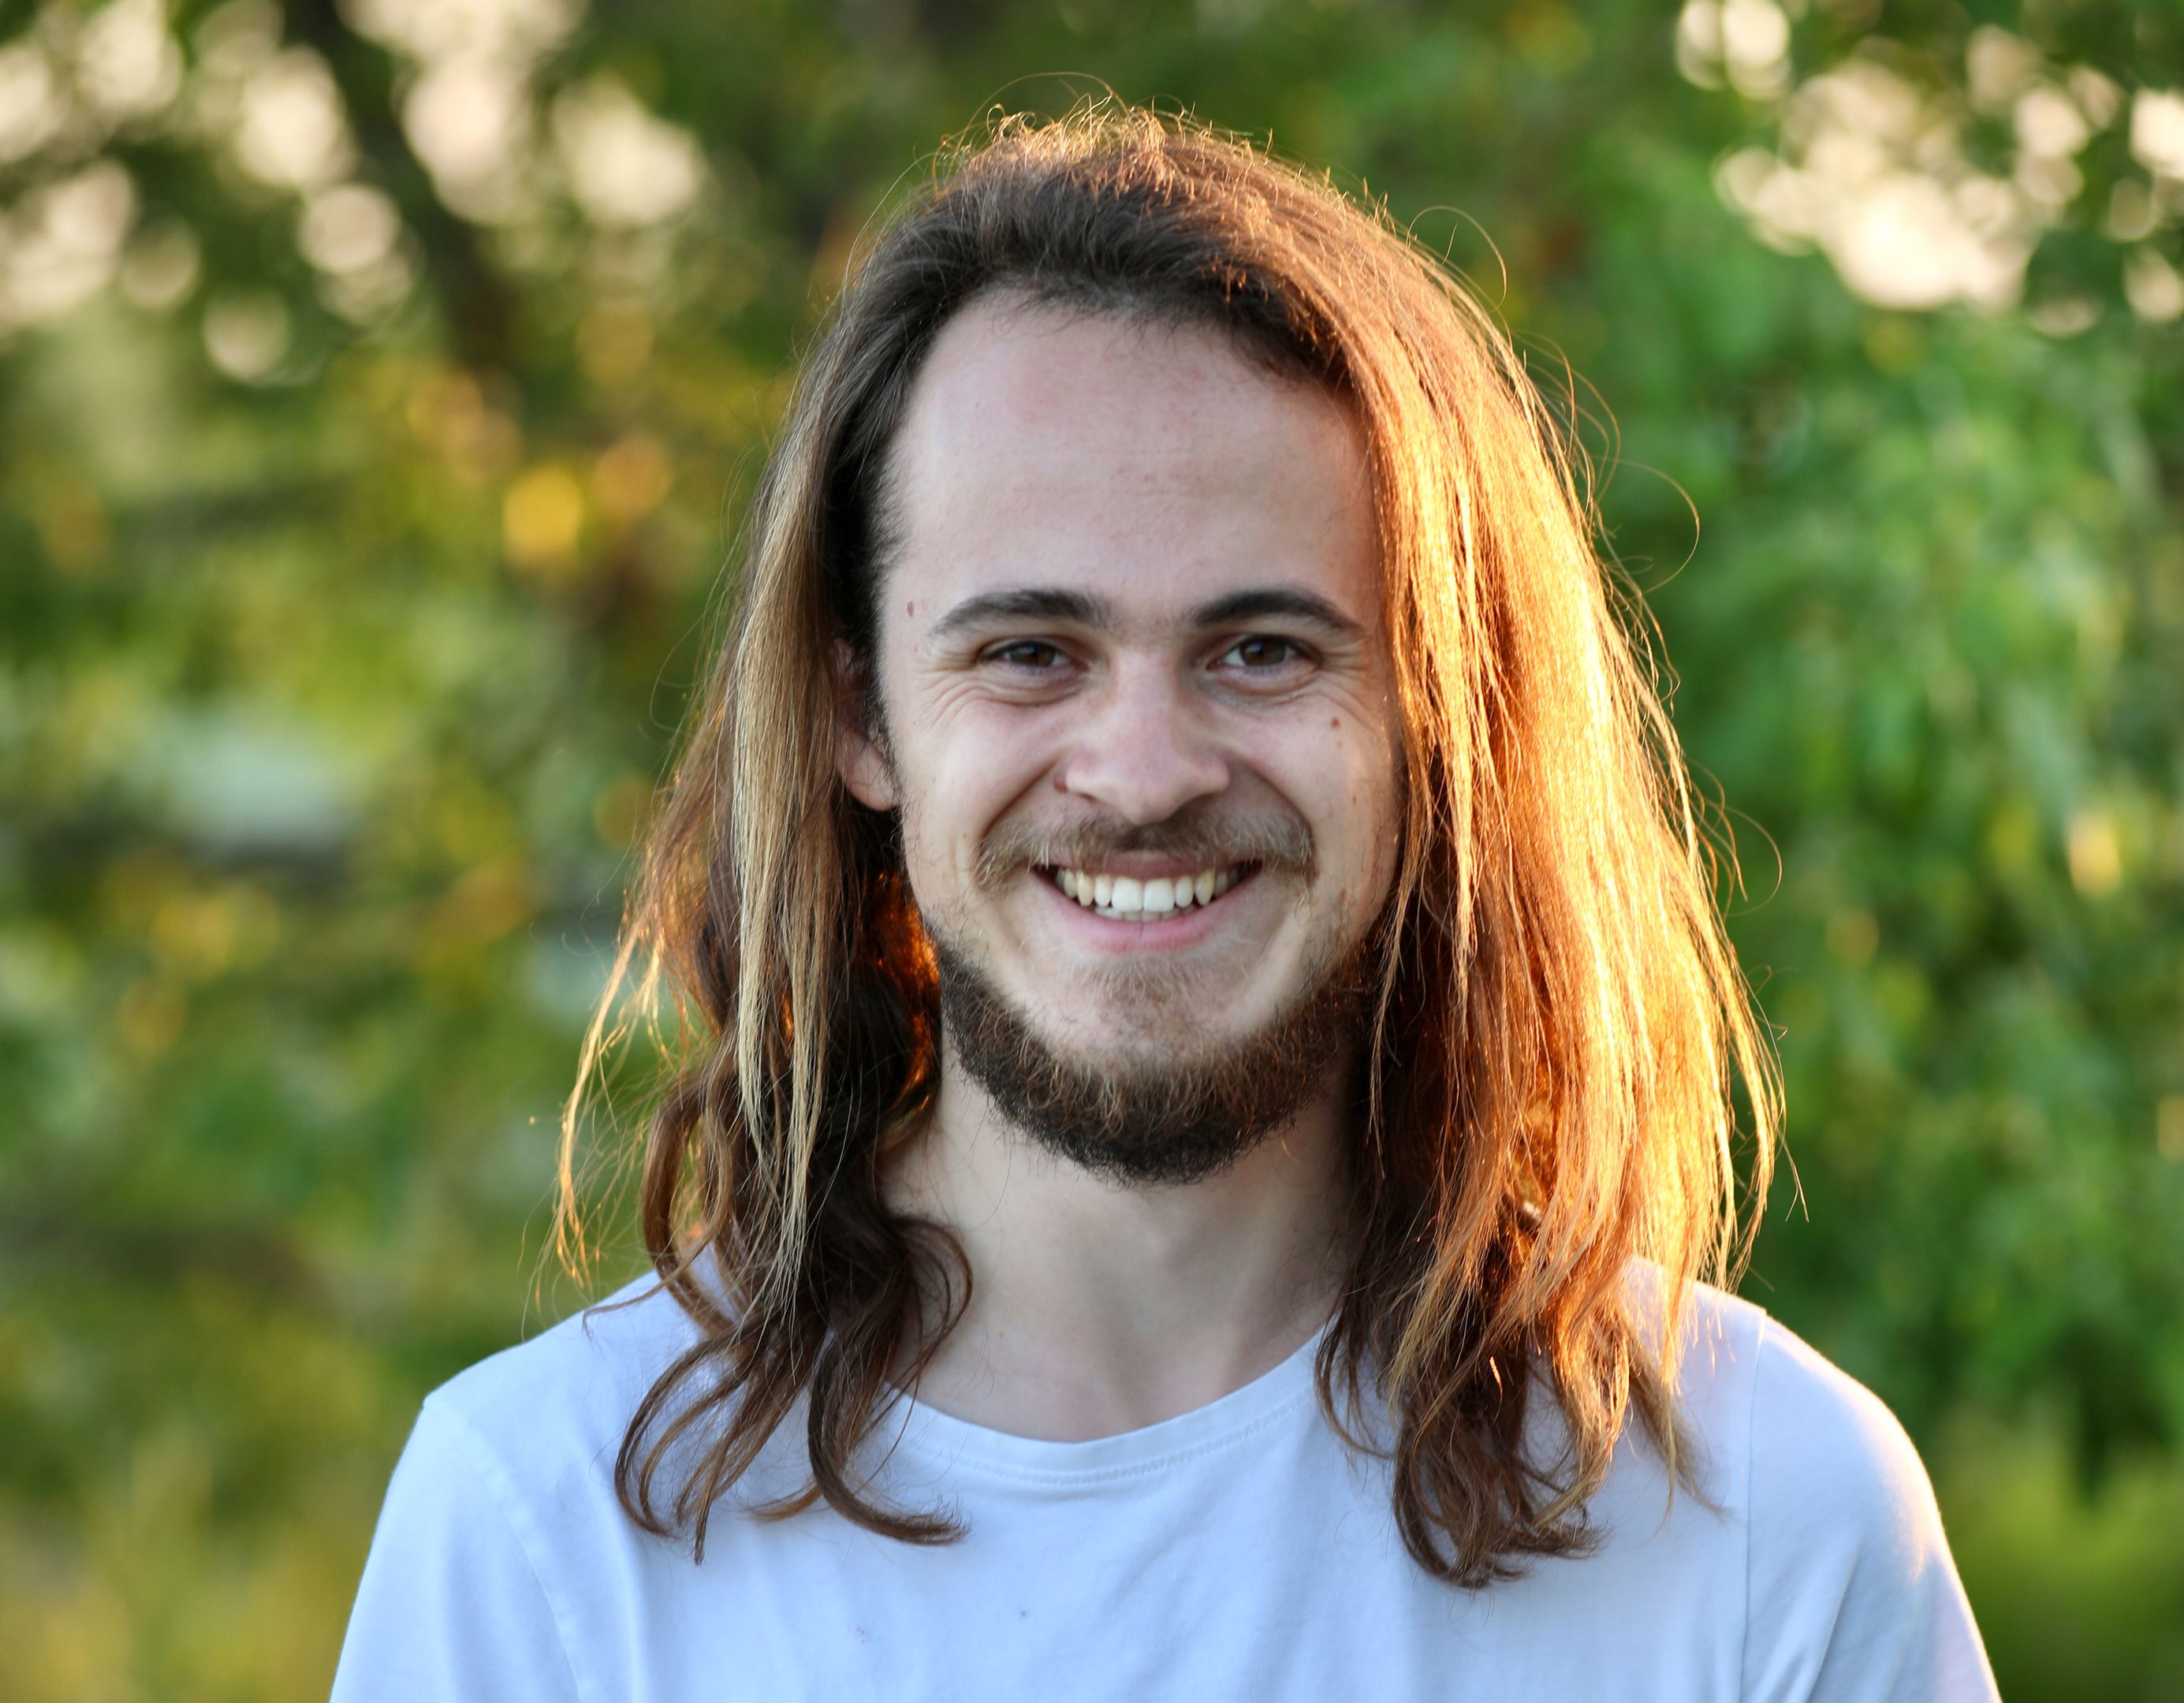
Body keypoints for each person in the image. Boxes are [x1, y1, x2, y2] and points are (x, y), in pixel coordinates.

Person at [332, 106, 1997, 1700]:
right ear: (859, 716)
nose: (1139, 774)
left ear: (1441, 719)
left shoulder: (1757, 1519)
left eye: (1260, 649)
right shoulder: (551, 1531)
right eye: (1028, 652)